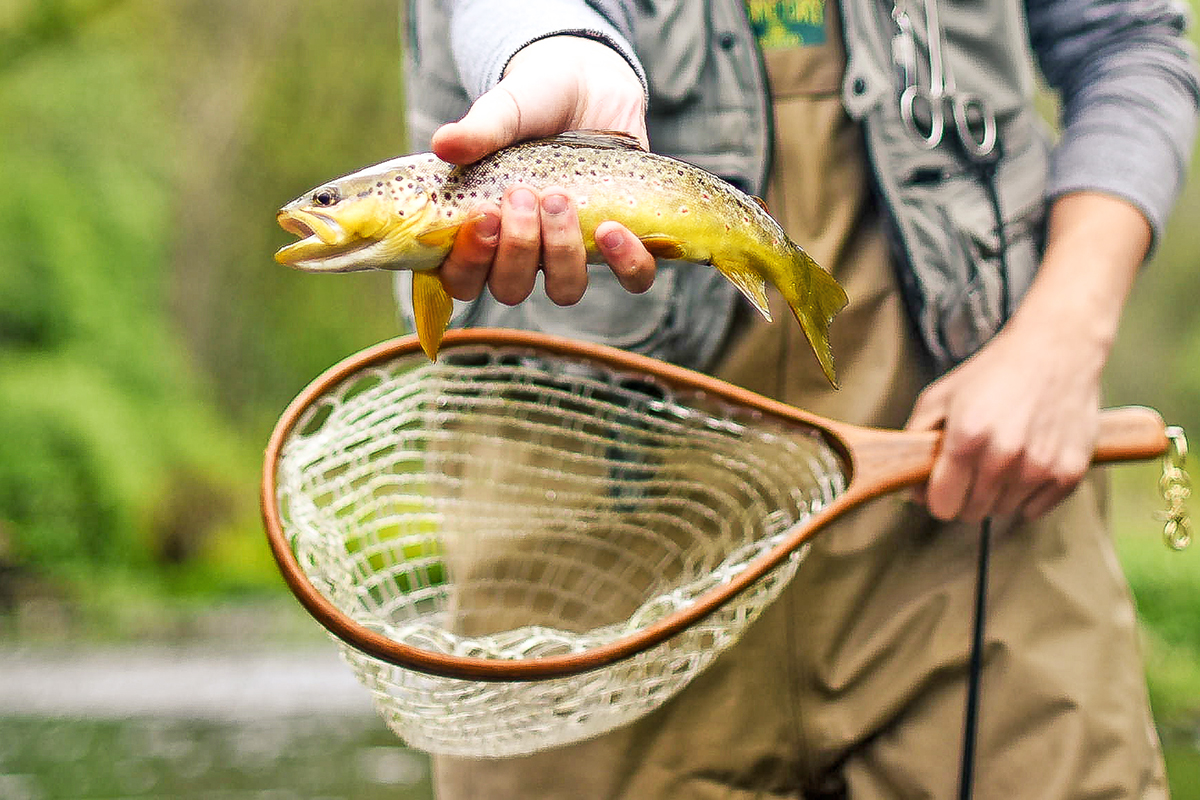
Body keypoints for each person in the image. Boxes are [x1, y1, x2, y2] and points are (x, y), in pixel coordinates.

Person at [398, 0, 1199, 797]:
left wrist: (1063, 336)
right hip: (580, 538)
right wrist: (558, 53)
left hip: (968, 494)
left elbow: (1130, 43)